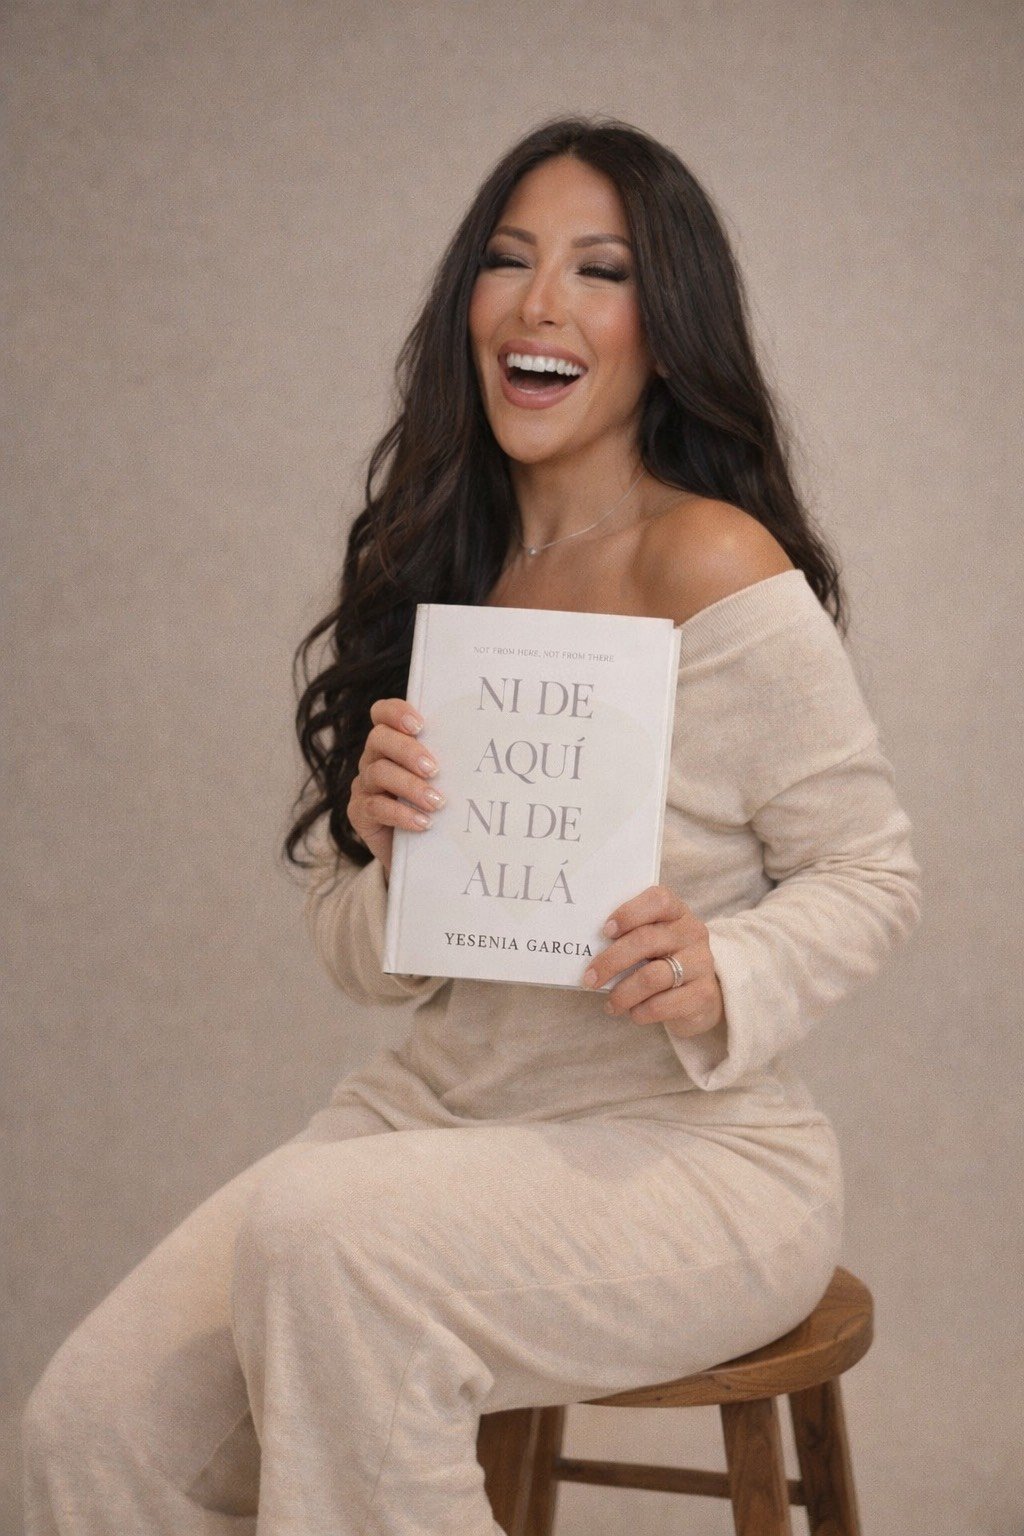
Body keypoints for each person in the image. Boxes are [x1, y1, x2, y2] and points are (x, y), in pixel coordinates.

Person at [21, 115, 922, 1535]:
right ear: (468, 306)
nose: (540, 303)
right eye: (509, 261)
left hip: (688, 1155)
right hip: (432, 1121)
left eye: (600, 271)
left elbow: (870, 870)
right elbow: (360, 955)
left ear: (665, 333)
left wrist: (729, 967)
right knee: (89, 1432)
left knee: (327, 1244)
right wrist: (386, 858)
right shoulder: (436, 566)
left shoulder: (708, 556)